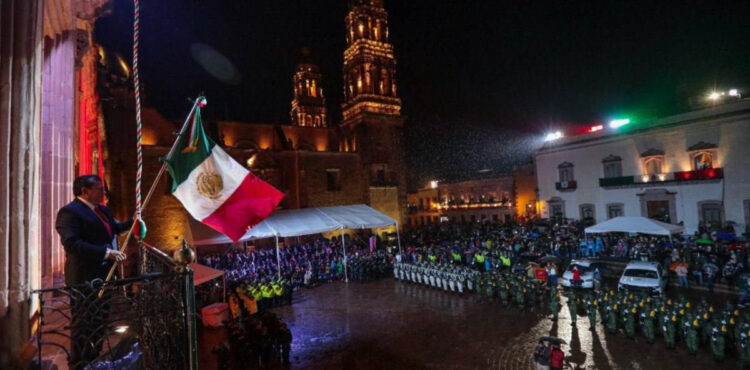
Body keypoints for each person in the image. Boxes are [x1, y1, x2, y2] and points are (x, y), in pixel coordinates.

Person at [55, 174, 133, 368]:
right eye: (99, 189)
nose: (103, 192)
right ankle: (80, 363)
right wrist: (106, 253)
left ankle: (95, 360)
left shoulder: (103, 210)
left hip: (104, 277)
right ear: (85, 191)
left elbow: (117, 228)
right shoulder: (70, 212)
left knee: (99, 323)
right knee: (84, 325)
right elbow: (72, 243)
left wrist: (134, 220)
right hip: (85, 277)